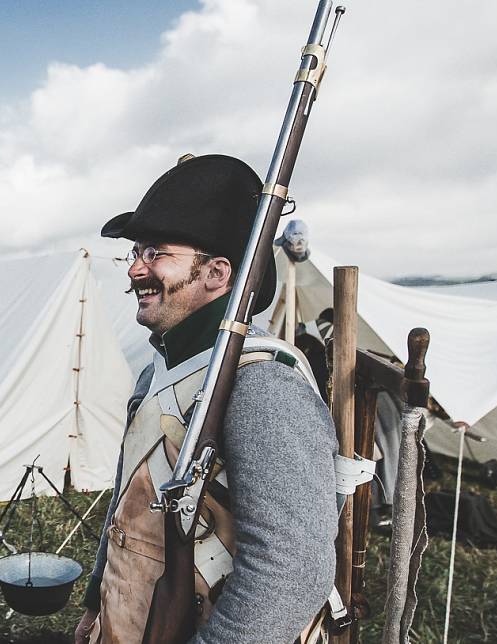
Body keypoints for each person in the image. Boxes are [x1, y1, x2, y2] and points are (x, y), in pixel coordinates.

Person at [75, 154, 338, 644]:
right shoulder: (161, 369)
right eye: (135, 252)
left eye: (155, 253)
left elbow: (290, 574)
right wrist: (97, 606)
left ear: (217, 273)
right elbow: (127, 503)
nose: (135, 269)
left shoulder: (264, 387)